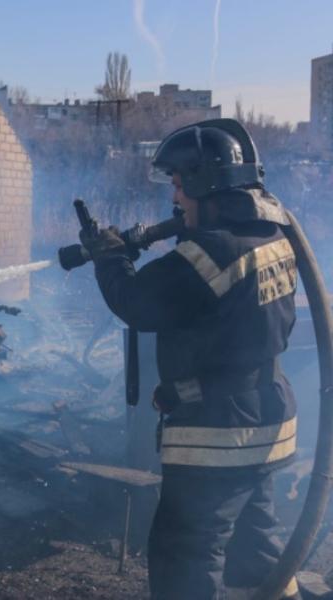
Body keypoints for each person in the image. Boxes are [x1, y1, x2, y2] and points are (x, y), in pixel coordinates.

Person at [79, 119, 301, 600]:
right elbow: (228, 329)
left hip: (219, 434)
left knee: (185, 553)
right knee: (256, 549)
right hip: (266, 418)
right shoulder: (270, 237)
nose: (175, 199)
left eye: (179, 185)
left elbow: (137, 303)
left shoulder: (212, 252)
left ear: (205, 182)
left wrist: (110, 257)